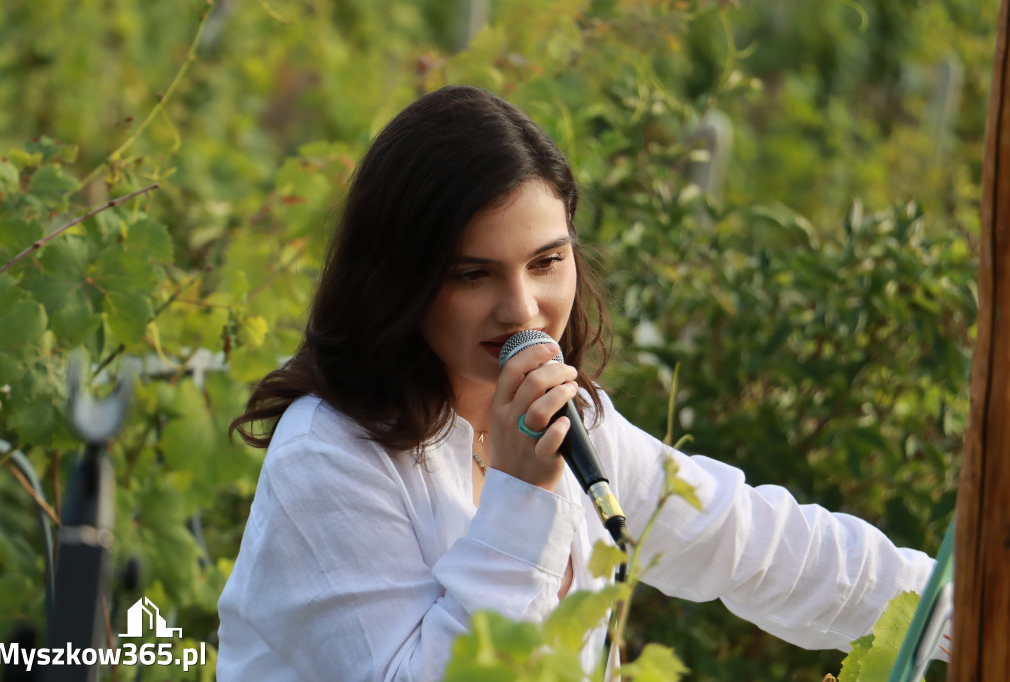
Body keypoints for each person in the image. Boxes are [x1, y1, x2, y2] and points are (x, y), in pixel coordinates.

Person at [216, 85, 937, 681]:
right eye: (474, 275)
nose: (523, 309)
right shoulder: (330, 457)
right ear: (399, 282)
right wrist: (521, 494)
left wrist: (959, 611)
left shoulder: (576, 423)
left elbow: (755, 543)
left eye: (546, 261)